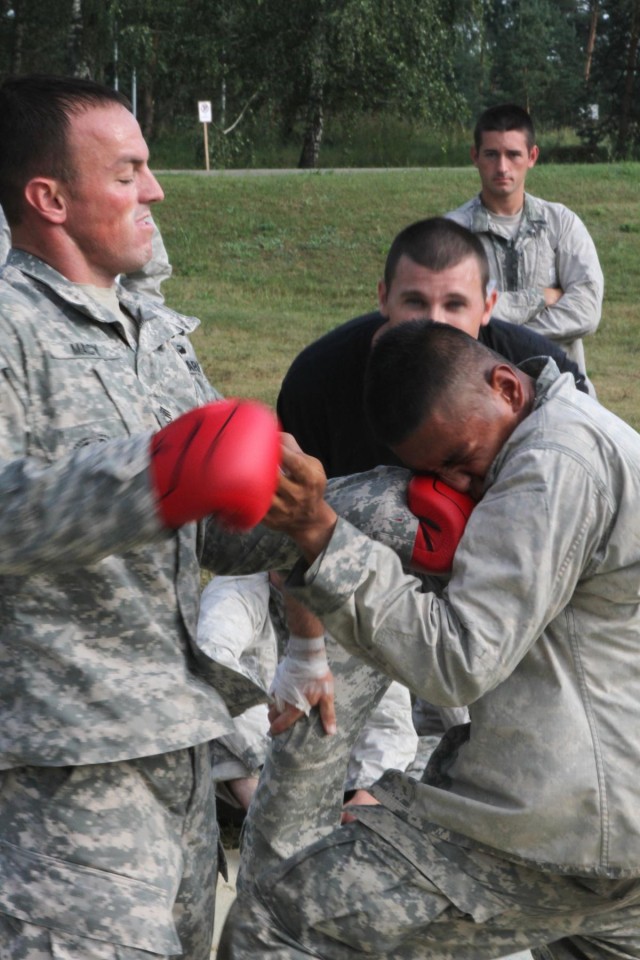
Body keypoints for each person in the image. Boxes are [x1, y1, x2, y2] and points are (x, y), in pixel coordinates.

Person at [0, 73, 456, 958]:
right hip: (63, 764)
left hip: (177, 746)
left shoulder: (151, 332)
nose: (156, 188)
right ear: (50, 197)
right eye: (128, 170)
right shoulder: (6, 328)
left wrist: (356, 506)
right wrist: (160, 472)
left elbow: (214, 529)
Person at [219, 319, 640, 959]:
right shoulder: (591, 432)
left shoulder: (550, 464)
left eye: (460, 458)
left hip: (571, 826)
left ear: (506, 386)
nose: (461, 484)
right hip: (607, 819)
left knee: (281, 914)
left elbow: (461, 660)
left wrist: (326, 538)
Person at [446, 102, 604, 380]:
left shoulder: (561, 224)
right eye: (492, 154)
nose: (502, 167)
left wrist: (496, 334)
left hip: (560, 390)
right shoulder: (452, 233)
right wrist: (540, 298)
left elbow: (586, 311)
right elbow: (453, 312)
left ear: (532, 156)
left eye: (513, 154)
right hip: (479, 391)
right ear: (475, 156)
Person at [0, 200, 172, 302]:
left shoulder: (119, 187)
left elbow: (151, 270)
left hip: (109, 338)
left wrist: (137, 320)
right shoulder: (12, 188)